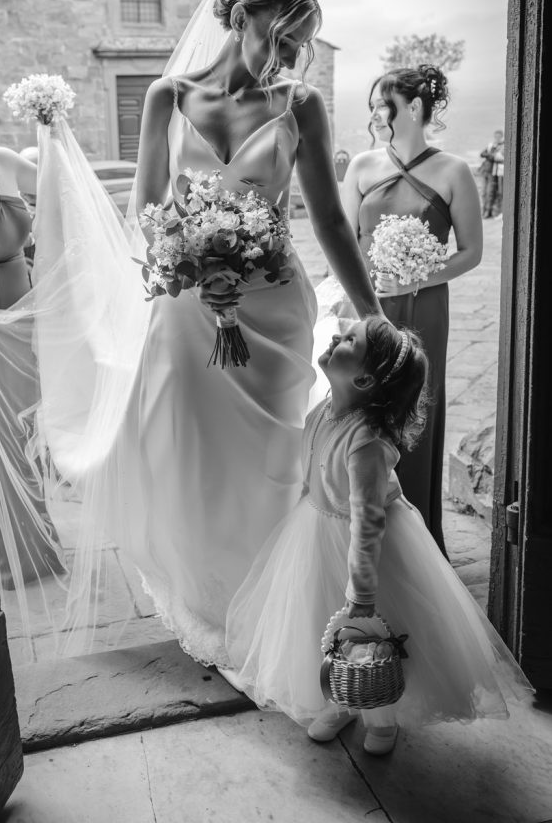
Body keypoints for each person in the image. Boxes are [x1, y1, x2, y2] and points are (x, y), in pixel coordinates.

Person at [75, 0, 383, 667]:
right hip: (186, 311)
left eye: (298, 43)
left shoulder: (297, 104)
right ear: (238, 14)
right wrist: (185, 259)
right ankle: (214, 608)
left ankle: (275, 610)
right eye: (280, 36)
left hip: (272, 310)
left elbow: (330, 221)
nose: (287, 55)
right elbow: (145, 209)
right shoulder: (165, 96)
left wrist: (372, 312)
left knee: (272, 464)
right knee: (194, 456)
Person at [225, 318, 532, 755]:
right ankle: (342, 700)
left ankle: (381, 716)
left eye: (351, 340)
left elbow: (368, 521)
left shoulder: (367, 442)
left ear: (366, 378)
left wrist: (363, 591)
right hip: (316, 529)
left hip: (366, 550)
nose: (337, 336)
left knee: (368, 636)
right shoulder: (325, 408)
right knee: (320, 624)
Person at [339, 65, 482, 555]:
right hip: (366, 304)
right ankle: (359, 540)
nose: (375, 115)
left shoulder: (453, 171)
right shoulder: (360, 167)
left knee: (415, 415)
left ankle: (417, 547)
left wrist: (417, 276)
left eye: (384, 104)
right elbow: (344, 242)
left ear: (414, 107)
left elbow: (471, 252)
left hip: (425, 310)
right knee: (360, 416)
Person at [0, 96, 66, 596]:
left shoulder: (5, 163)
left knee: (30, 426)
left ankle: (39, 543)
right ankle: (10, 554)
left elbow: (63, 190)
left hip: (26, 316)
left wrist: (52, 132)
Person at [480, 129, 505, 218]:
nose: (497, 138)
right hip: (485, 171)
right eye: (496, 137)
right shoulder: (492, 145)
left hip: (493, 173)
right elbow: (482, 154)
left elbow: (496, 157)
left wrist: (489, 155)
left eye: (498, 137)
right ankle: (484, 211)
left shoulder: (502, 146)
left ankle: (488, 212)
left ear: (502, 137)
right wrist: (490, 155)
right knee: (483, 193)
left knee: (490, 193)